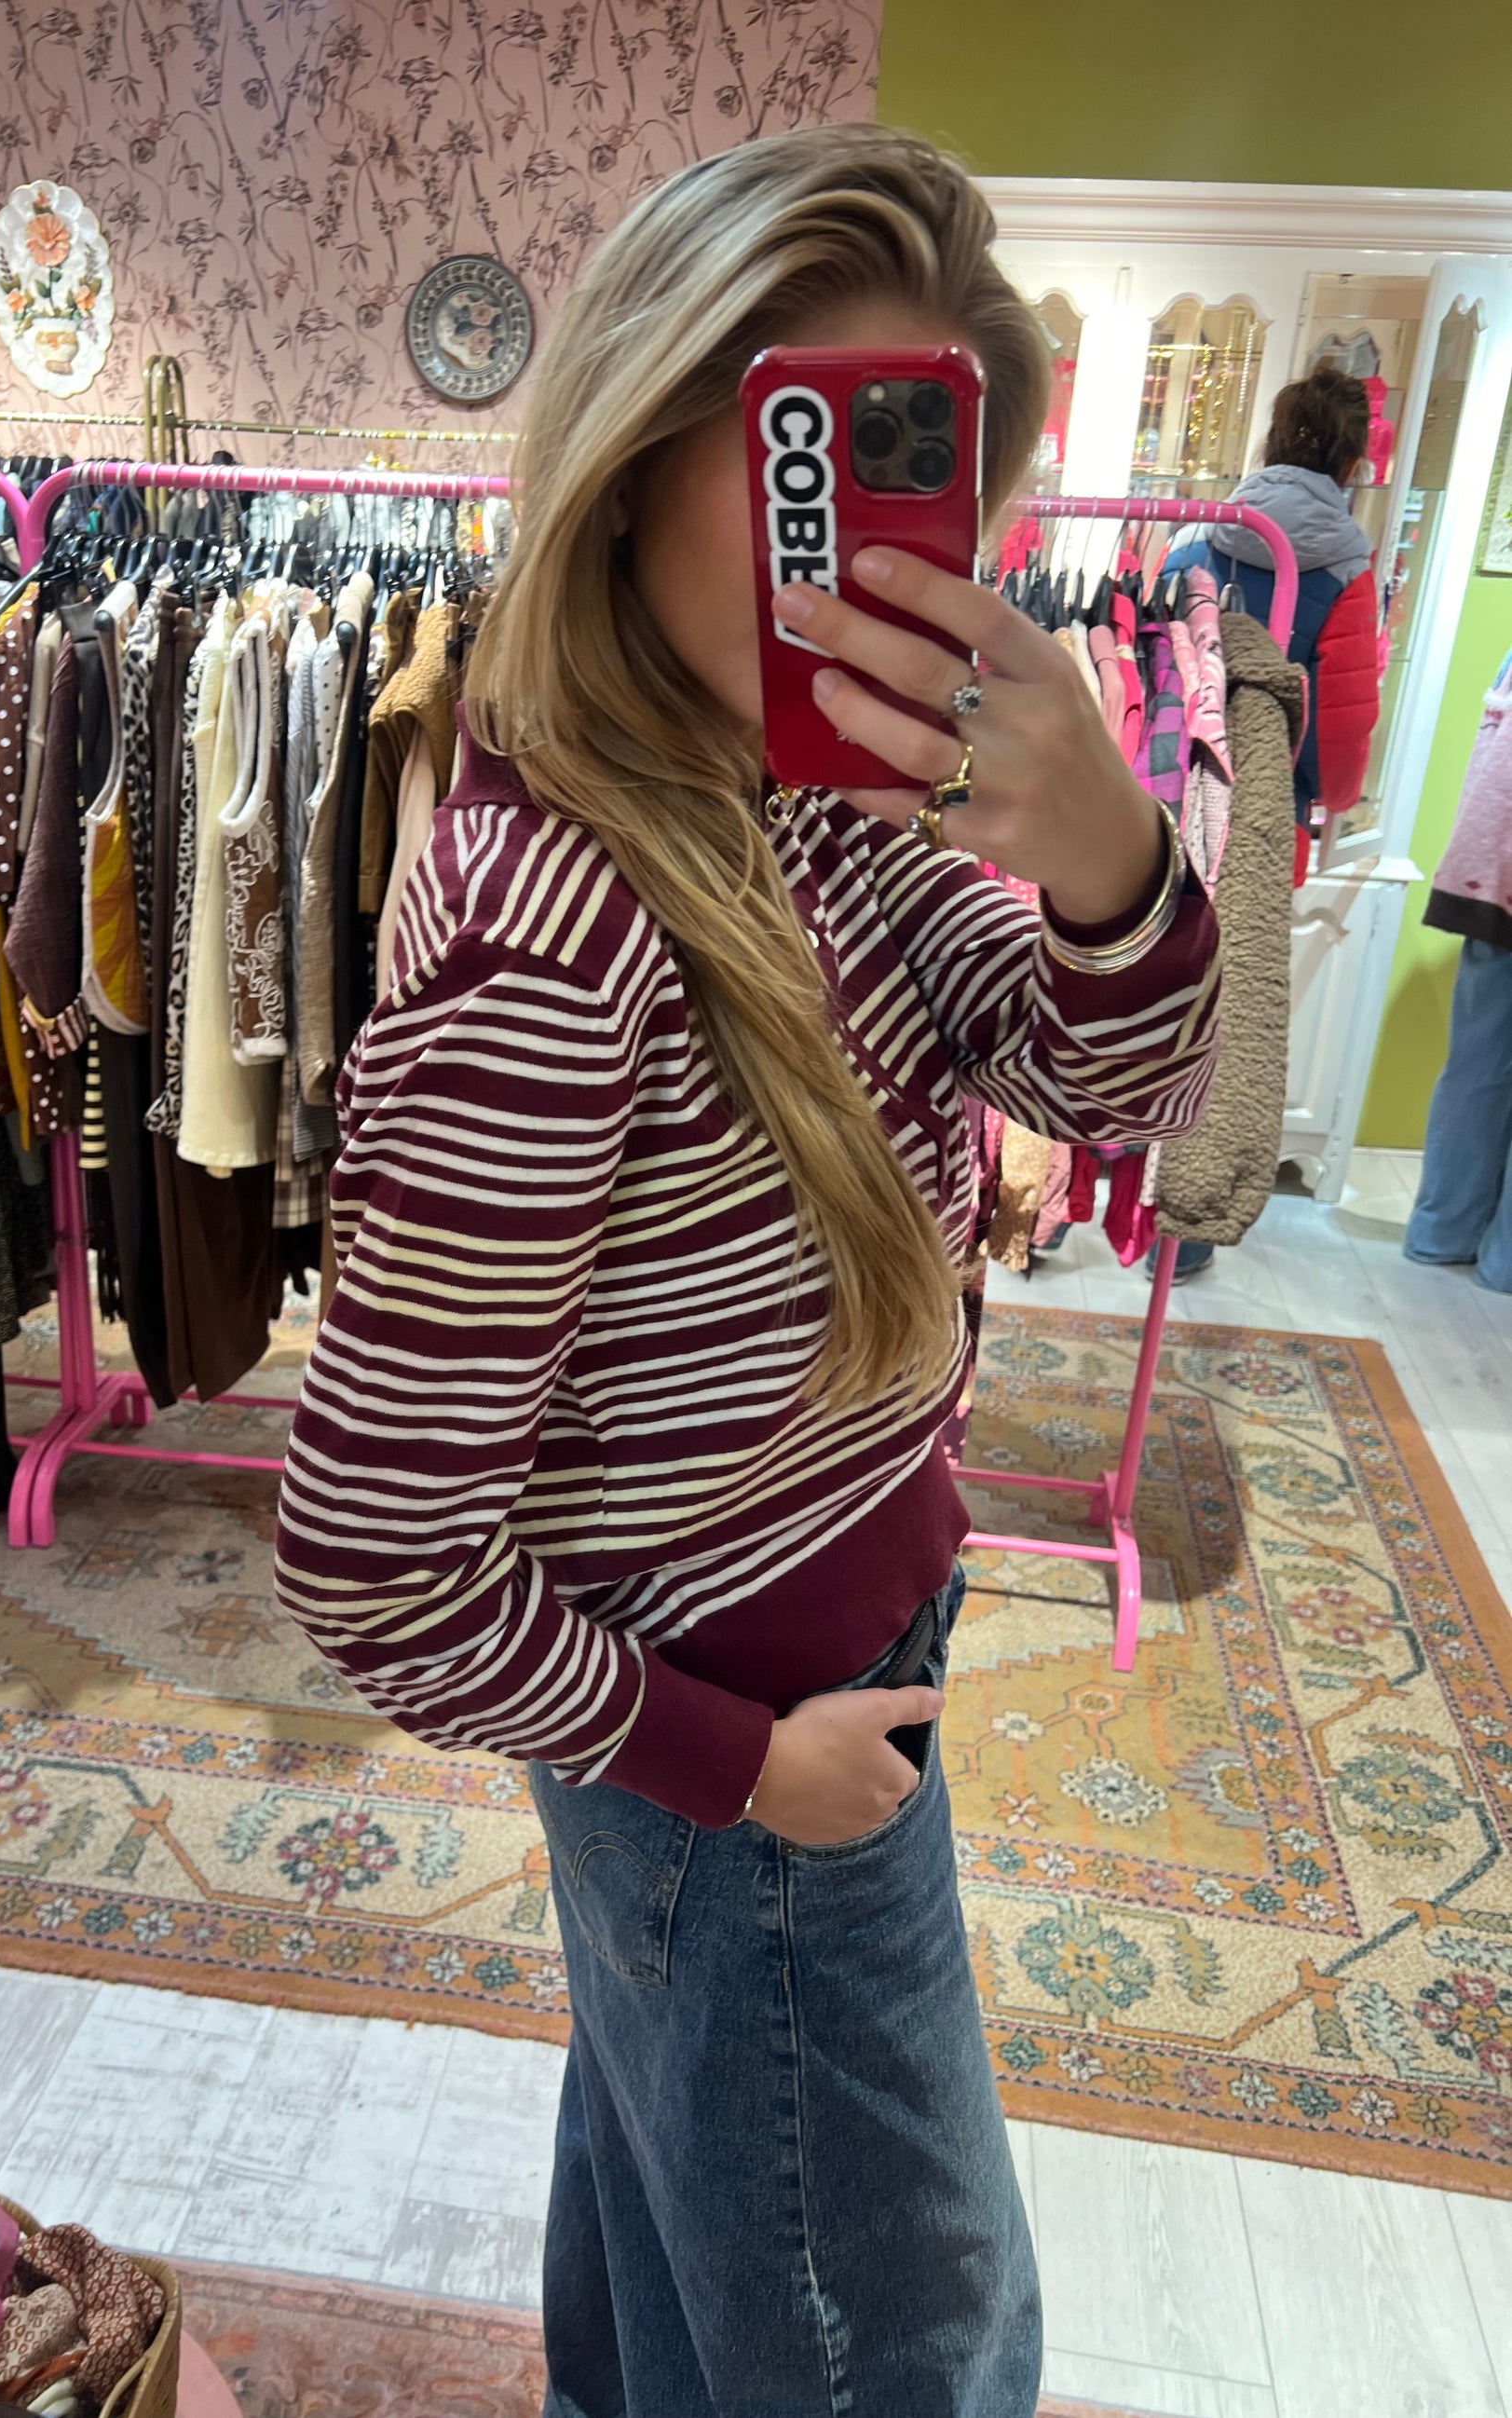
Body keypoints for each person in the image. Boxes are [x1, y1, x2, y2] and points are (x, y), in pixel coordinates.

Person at [274, 126, 1221, 2418]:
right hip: (752, 1758)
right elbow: (373, 1561)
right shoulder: (555, 932)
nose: (854, 555)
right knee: (904, 2346)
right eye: (798, 453)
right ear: (634, 436)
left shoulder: (802, 797)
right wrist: (734, 1766)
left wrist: (1106, 843)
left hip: (811, 1690)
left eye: (907, 469)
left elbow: (1113, 1076)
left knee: (681, 2274)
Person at [1153, 360, 1382, 1277]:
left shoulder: (1195, 537)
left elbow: (1154, 664)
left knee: (1142, 983)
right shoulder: (1348, 566)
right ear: (1351, 461)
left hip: (1169, 792)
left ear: (1270, 440)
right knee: (1229, 1006)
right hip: (1262, 812)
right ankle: (1184, 1228)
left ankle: (1085, 1188)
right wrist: (1327, 798)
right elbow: (1344, 718)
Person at [1406, 646, 1512, 1289]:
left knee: (1476, 1066)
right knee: (1476, 1067)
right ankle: (1504, 1263)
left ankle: (1441, 1234)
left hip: (1489, 877)